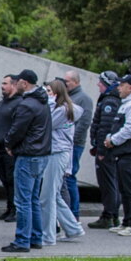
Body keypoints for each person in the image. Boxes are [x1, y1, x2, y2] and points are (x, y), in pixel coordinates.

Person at [1, 70, 51, 253]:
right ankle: (36, 237)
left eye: (17, 82)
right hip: (41, 154)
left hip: (28, 155)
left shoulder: (27, 105)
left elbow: (17, 130)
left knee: (22, 201)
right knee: (33, 199)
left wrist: (8, 144)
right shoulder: (42, 102)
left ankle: (22, 240)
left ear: (23, 82)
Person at [103, 74, 131, 236]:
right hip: (123, 152)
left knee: (130, 190)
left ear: (130, 87)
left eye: (121, 85)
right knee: (124, 189)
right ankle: (126, 222)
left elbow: (130, 129)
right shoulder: (127, 103)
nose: (118, 88)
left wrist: (113, 140)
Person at [41, 79, 85, 245]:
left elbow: (47, 124)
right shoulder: (65, 108)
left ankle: (48, 236)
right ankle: (73, 228)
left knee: (47, 197)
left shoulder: (62, 110)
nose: (46, 95)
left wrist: (48, 104)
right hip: (58, 153)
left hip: (56, 153)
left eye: (49, 92)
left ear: (56, 94)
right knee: (55, 195)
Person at [87, 71, 124, 230]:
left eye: (100, 82)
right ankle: (111, 215)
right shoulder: (112, 98)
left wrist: (101, 150)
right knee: (111, 183)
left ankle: (109, 215)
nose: (98, 85)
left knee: (108, 183)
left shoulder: (110, 100)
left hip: (106, 150)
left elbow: (105, 127)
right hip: (107, 148)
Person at [63, 71, 94, 215]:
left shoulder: (83, 99)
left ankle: (74, 214)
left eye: (67, 81)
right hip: (68, 143)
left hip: (74, 144)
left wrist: (72, 139)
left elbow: (84, 123)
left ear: (76, 82)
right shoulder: (70, 96)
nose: (65, 84)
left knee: (70, 178)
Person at [0, 75, 18, 223]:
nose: (2, 86)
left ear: (13, 85)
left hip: (10, 150)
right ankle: (9, 208)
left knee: (12, 180)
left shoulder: (18, 104)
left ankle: (15, 209)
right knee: (5, 180)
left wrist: (10, 143)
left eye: (5, 83)